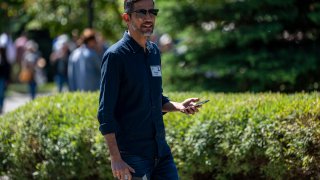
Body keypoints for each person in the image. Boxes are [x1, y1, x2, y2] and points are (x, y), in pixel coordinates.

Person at [97, 0, 201, 179]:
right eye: (141, 13)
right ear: (126, 18)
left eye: (152, 12)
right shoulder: (115, 56)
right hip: (132, 156)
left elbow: (154, 98)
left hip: (161, 152)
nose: (148, 18)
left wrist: (178, 106)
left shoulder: (153, 52)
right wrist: (115, 158)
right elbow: (105, 114)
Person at [0, 33, 12, 114]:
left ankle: (1, 107)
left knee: (1, 93)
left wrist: (8, 79)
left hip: (2, 78)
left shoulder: (5, 60)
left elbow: (8, 70)